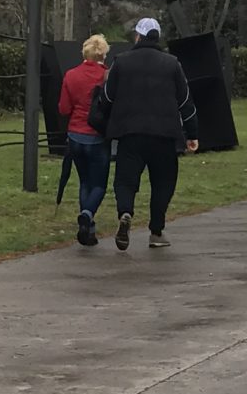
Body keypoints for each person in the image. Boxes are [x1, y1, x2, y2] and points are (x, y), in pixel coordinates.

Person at [102, 16, 198, 250]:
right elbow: (185, 100)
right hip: (164, 135)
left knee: (125, 180)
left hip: (130, 133)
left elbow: (107, 97)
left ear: (138, 36)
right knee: (164, 182)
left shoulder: (121, 61)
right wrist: (192, 133)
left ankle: (125, 212)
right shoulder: (172, 63)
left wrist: (103, 122)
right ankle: (156, 230)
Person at [57, 33, 112, 249]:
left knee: (85, 182)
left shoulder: (71, 75)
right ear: (103, 54)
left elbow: (63, 108)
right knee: (99, 183)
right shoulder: (107, 76)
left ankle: (87, 231)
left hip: (75, 136)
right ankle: (87, 215)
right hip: (97, 137)